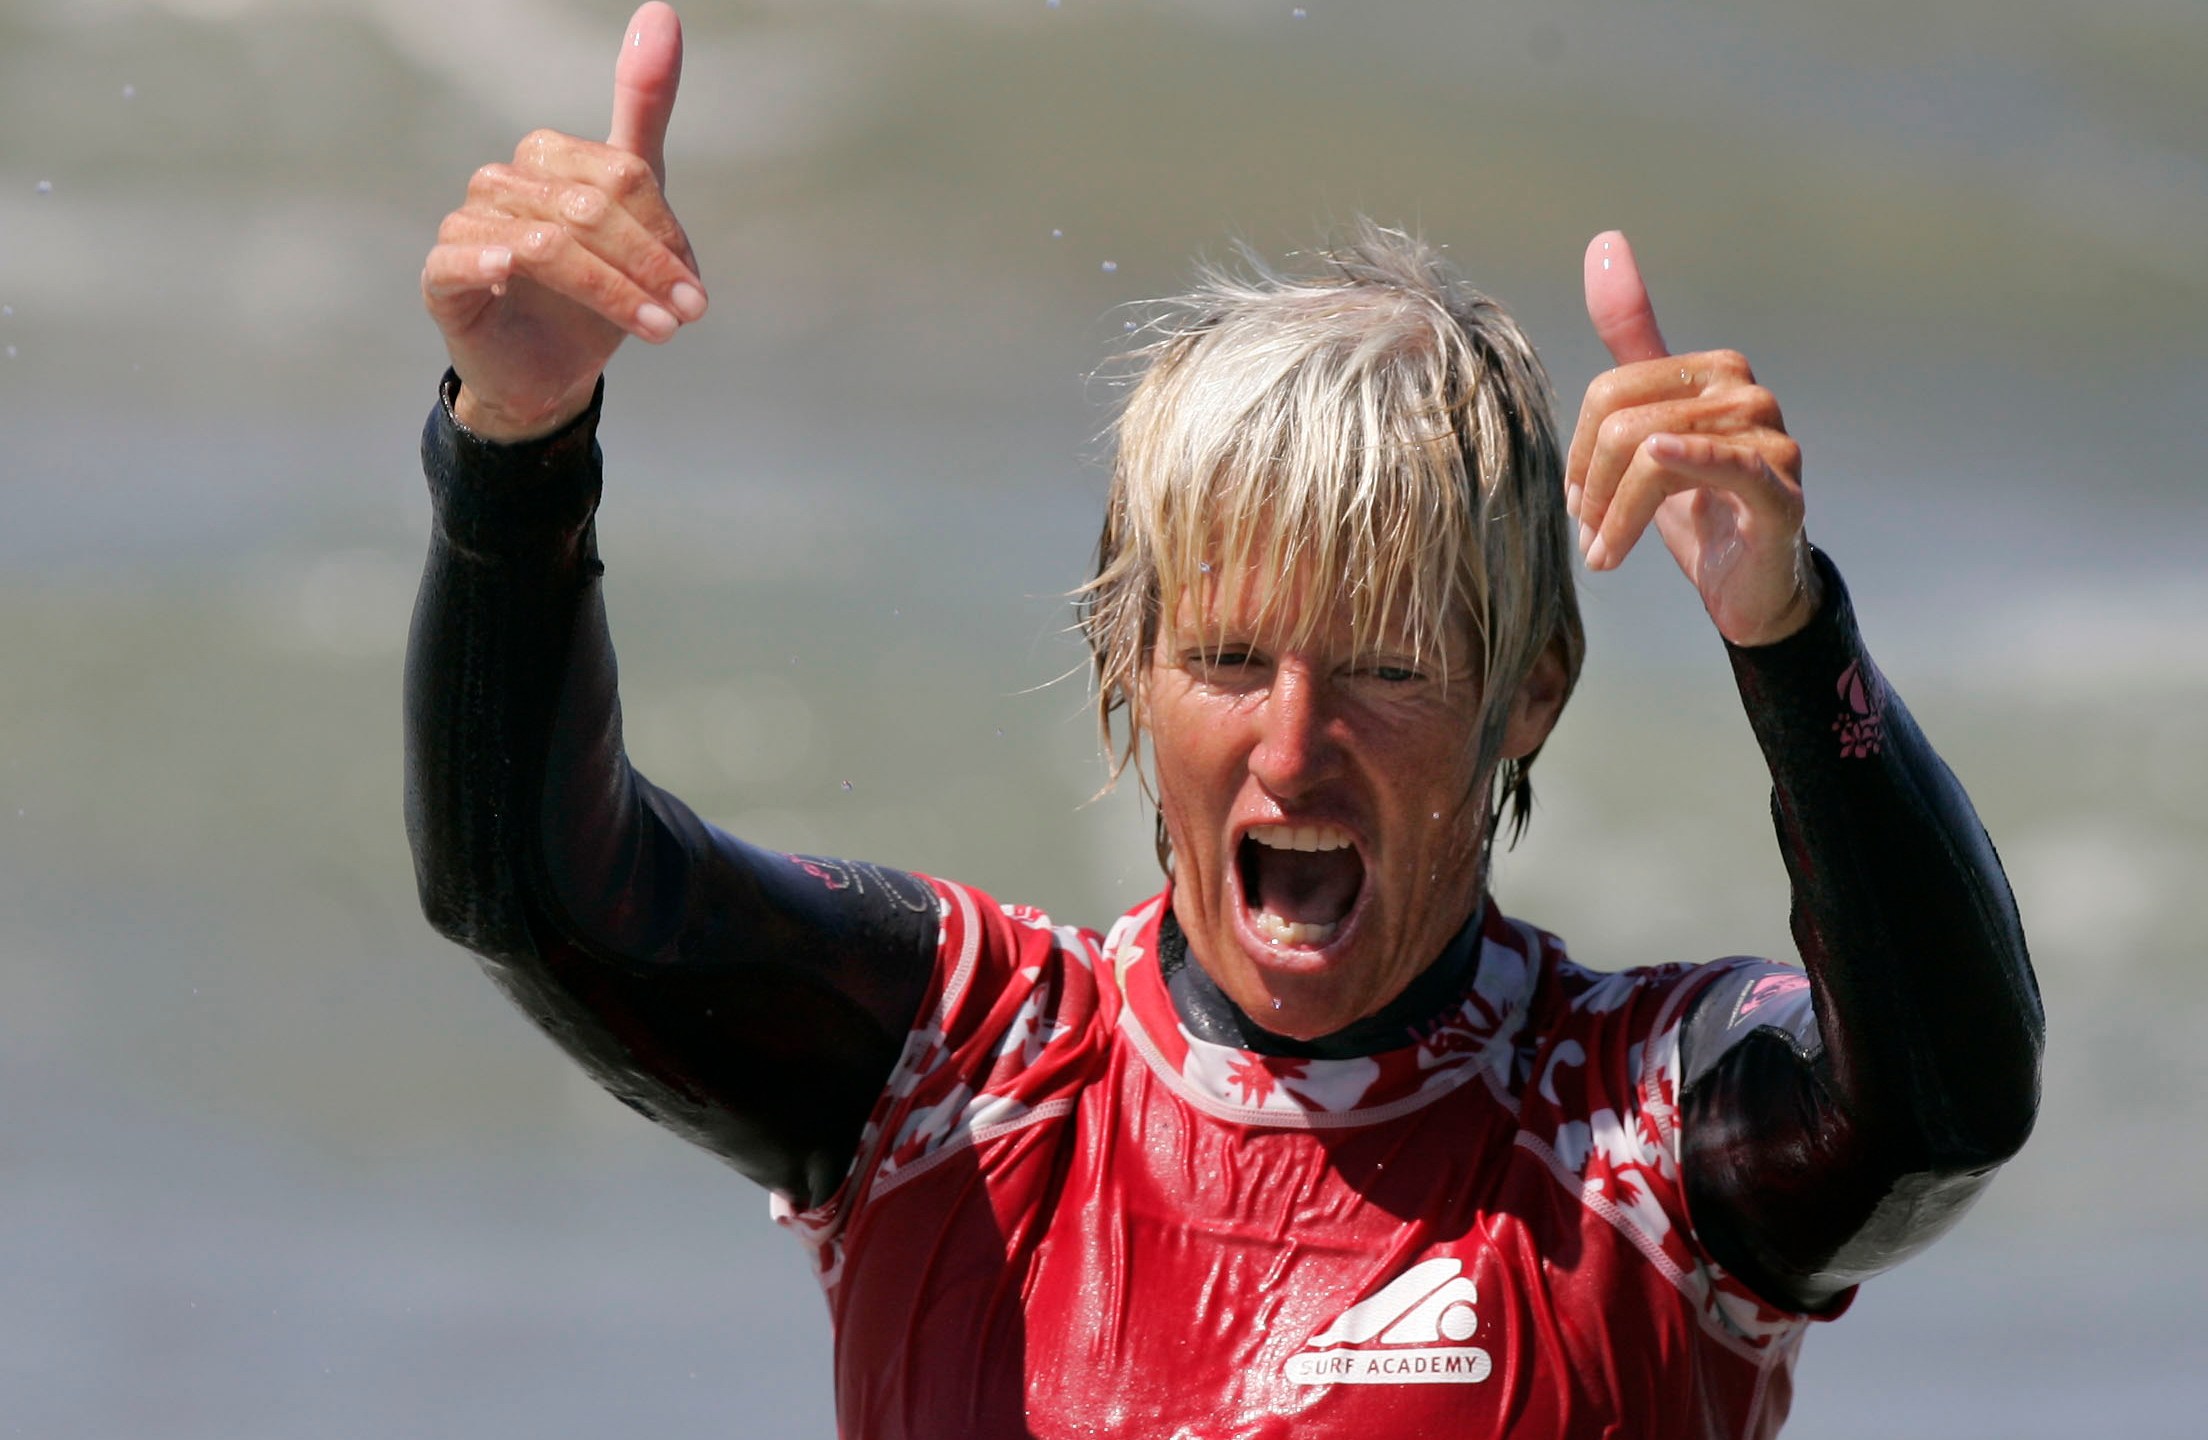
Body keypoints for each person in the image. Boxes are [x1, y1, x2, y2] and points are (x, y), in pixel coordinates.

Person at [408, 5, 2043, 1436]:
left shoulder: (1634, 1136)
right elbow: (533, 891)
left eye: (1389, 667)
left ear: (1529, 689)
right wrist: (517, 443)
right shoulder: (959, 1077)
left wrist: (1787, 629)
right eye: (1232, 659)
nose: (1292, 745)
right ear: (1126, 665)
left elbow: (1945, 1104)